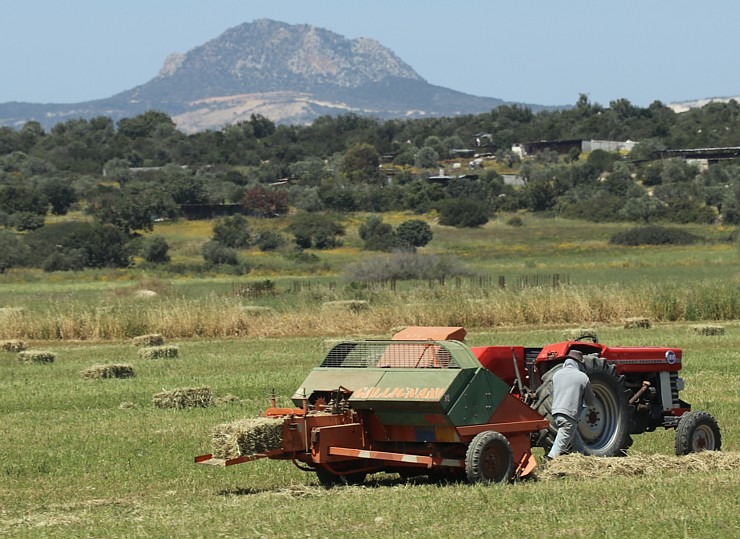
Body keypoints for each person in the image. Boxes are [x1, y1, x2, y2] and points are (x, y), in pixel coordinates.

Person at [545, 349, 595, 461]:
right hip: (569, 414)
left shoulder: (556, 375)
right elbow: (590, 401)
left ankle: (581, 459)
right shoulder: (582, 377)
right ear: (578, 364)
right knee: (562, 441)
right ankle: (549, 460)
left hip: (556, 413)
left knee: (576, 442)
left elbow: (553, 393)